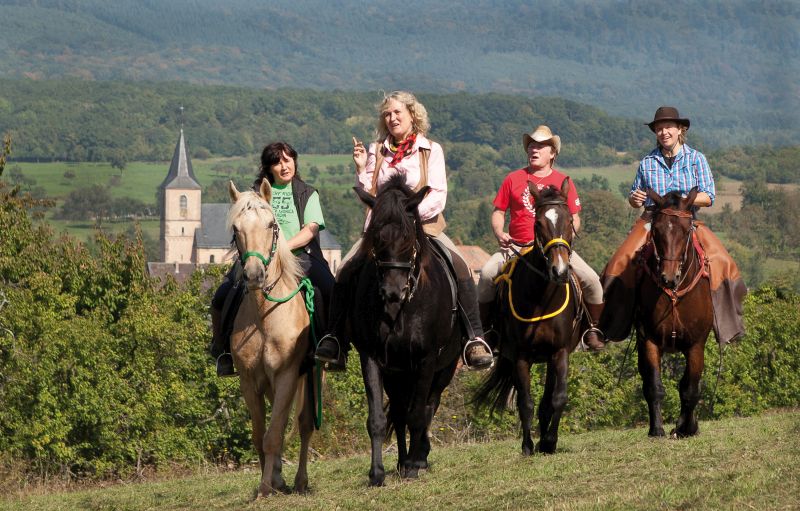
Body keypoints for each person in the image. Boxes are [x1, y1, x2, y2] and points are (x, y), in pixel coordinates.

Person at [314, 91, 494, 371]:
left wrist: (408, 220)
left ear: (413, 115)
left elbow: (438, 194)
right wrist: (361, 169)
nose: (392, 118)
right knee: (346, 269)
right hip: (383, 232)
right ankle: (335, 338)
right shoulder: (376, 151)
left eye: (398, 112)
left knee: (461, 267)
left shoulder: (431, 150)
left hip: (424, 228)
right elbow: (369, 193)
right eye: (387, 114)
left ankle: (474, 339)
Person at [601, 106, 746, 345]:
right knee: (619, 261)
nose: (663, 132)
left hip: (687, 219)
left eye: (668, 127)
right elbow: (634, 195)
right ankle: (610, 325)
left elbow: (709, 196)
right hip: (652, 220)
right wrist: (634, 199)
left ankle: (727, 325)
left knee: (723, 261)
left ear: (681, 130)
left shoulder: (696, 159)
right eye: (659, 128)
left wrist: (681, 201)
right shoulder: (647, 162)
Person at [476, 125, 606, 351]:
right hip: (516, 247)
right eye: (531, 146)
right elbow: (498, 211)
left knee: (593, 281)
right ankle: (486, 334)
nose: (534, 150)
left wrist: (566, 240)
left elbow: (575, 217)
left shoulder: (563, 180)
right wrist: (499, 233)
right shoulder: (513, 178)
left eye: (541, 146)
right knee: (487, 275)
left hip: (555, 249)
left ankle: (591, 330)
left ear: (553, 153)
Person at [210, 141, 334, 376]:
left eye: (287, 160)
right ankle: (222, 349)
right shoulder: (255, 195)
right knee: (222, 295)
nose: (284, 166)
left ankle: (330, 342)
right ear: (269, 168)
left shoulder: (307, 193)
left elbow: (311, 229)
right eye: (277, 162)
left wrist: (283, 248)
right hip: (256, 257)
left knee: (329, 287)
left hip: (300, 256)